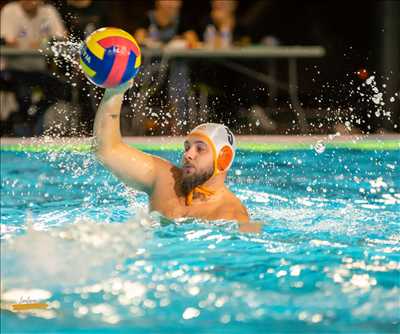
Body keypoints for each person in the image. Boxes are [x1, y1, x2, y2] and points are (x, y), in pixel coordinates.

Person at [93, 81, 250, 224]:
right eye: (187, 147)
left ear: (223, 159)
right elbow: (107, 150)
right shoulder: (164, 178)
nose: (188, 155)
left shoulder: (232, 216)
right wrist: (115, 91)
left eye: (200, 149)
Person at [0, 0, 68, 136]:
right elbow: (8, 40)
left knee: (62, 89)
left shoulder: (48, 11)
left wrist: (42, 42)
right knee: (23, 94)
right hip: (14, 69)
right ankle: (19, 123)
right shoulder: (10, 10)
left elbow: (61, 38)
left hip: (39, 70)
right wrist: (40, 43)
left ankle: (34, 116)